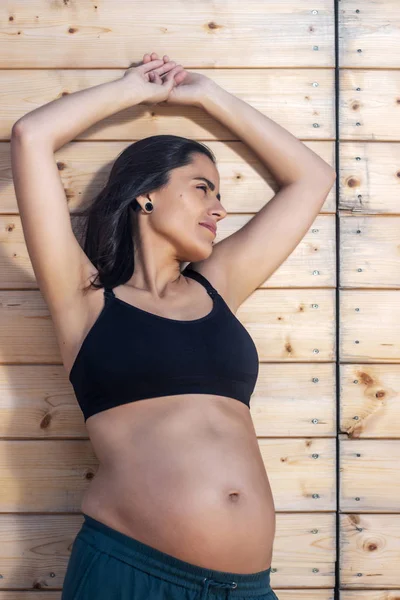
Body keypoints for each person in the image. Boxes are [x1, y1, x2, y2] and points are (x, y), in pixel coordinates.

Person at [11, 52, 336, 599]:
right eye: (202, 187)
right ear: (147, 193)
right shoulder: (84, 300)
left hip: (246, 588)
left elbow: (313, 178)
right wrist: (136, 90)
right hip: (130, 573)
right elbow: (30, 137)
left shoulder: (219, 285)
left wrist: (208, 95)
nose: (219, 208)